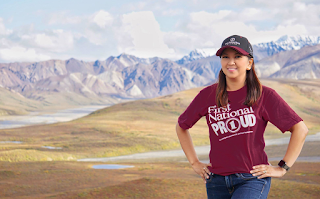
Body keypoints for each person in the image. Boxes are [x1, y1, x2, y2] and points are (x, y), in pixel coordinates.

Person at [176, 35, 308, 199]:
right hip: (216, 181)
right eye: (225, 57)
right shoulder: (207, 95)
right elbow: (182, 126)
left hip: (252, 179)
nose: (231, 62)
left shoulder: (264, 95)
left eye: (237, 56)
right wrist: (194, 163)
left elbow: (300, 129)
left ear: (249, 63)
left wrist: (282, 168)